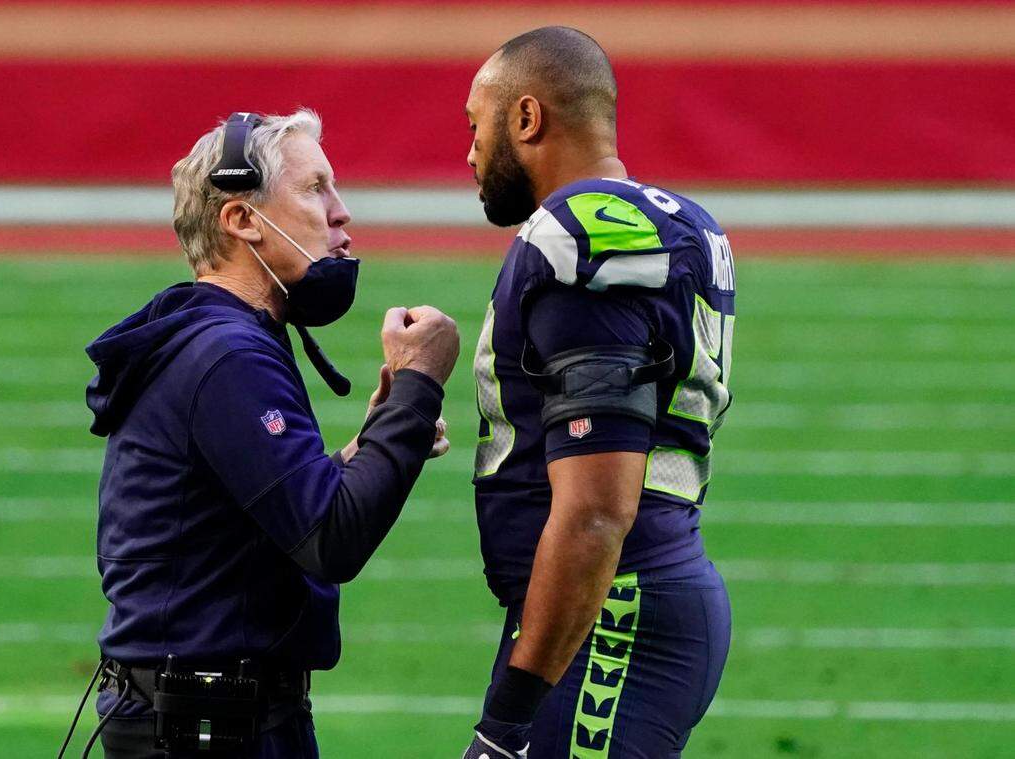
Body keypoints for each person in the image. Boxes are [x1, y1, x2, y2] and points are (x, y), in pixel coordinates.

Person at [74, 109, 459, 758]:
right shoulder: (227, 352)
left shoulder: (221, 336)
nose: (341, 212)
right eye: (315, 189)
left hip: (204, 713)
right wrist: (419, 384)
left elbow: (260, 514)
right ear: (242, 219)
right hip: (205, 723)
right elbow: (329, 537)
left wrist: (376, 442)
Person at [460, 28, 735, 759]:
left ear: (526, 118)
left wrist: (507, 714)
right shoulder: (686, 221)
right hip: (619, 602)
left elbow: (595, 511)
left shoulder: (583, 233)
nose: (470, 154)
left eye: (476, 125)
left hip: (611, 610)